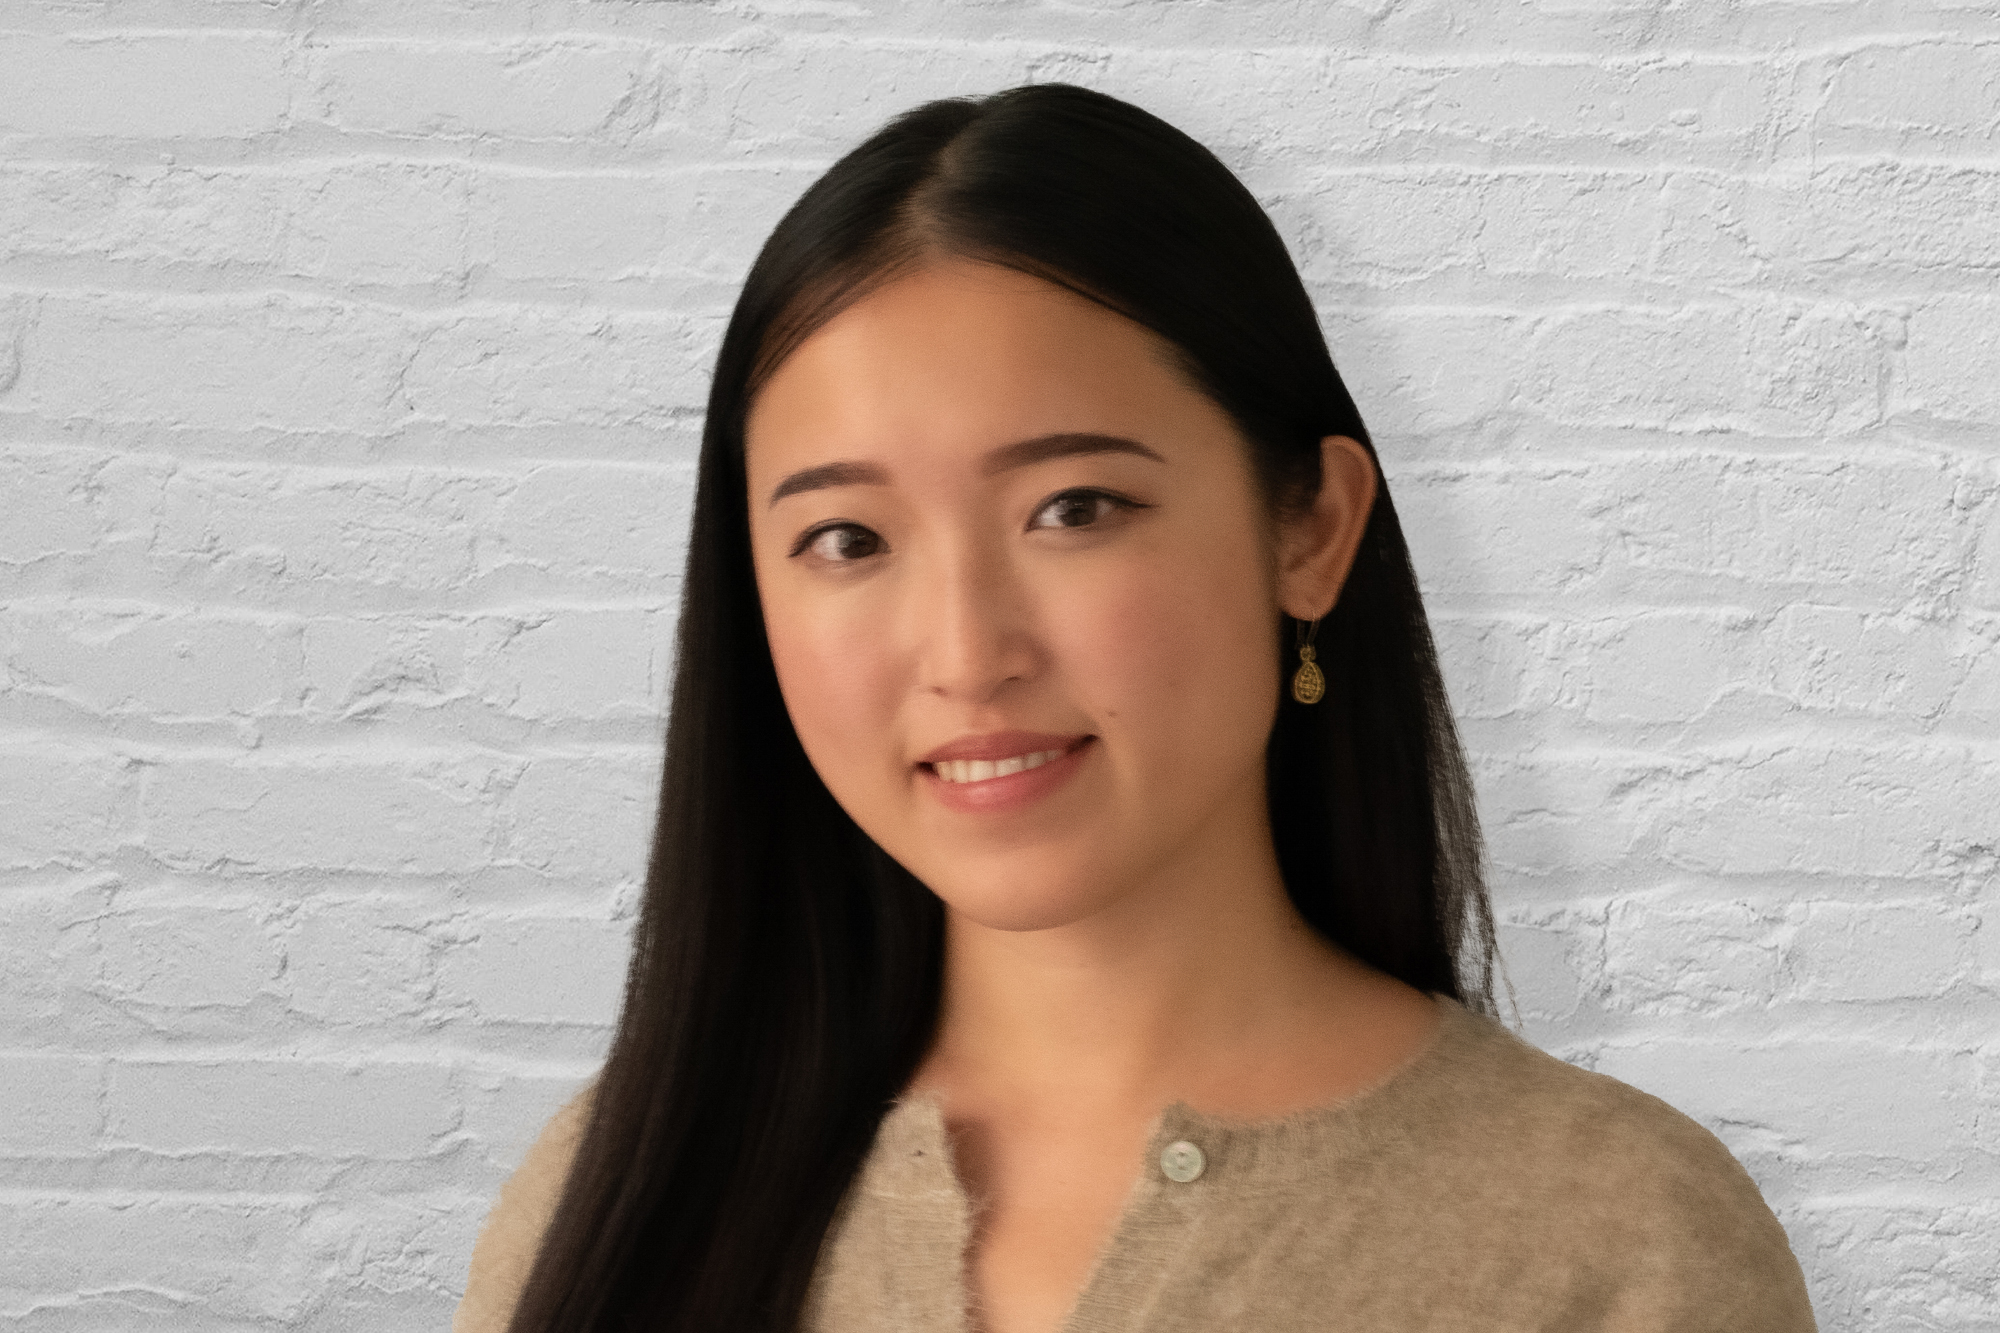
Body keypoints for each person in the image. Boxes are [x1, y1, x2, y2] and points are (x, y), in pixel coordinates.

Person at [454, 84, 1816, 1333]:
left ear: (1312, 527)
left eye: (1074, 509)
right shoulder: (610, 1206)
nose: (966, 654)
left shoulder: (1620, 1243)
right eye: (849, 540)